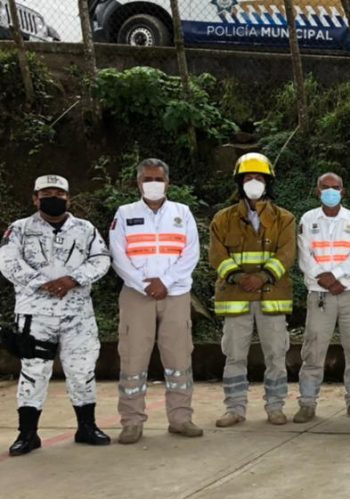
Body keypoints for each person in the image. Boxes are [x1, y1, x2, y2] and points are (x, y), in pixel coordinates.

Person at [1, 175, 112, 456]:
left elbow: (101, 259)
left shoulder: (85, 229)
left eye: (59, 193)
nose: (54, 197)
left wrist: (72, 279)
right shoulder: (19, 229)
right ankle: (28, 434)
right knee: (33, 372)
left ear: (68, 198)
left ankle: (86, 427)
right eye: (47, 192)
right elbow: (8, 262)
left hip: (77, 315)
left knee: (82, 370)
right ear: (35, 198)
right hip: (35, 314)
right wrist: (43, 282)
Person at [108, 159, 201, 444]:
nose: (153, 184)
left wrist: (167, 281)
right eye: (147, 179)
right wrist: (143, 283)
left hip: (175, 294)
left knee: (179, 358)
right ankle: (132, 422)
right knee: (133, 358)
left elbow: (191, 252)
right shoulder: (124, 214)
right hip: (138, 295)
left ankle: (181, 418)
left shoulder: (182, 212)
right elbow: (118, 254)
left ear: (167, 182)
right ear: (138, 183)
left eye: (158, 179)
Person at [209, 152, 296, 427]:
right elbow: (216, 256)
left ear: (268, 182)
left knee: (275, 354)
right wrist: (237, 277)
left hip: (272, 296)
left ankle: (276, 406)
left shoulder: (285, 219)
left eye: (259, 177)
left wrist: (263, 276)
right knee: (234, 355)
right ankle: (234, 408)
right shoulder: (222, 219)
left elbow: (287, 254)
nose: (254, 182)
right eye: (249, 177)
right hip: (236, 297)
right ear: (239, 182)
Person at [295, 172, 350, 423]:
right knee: (313, 348)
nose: (330, 191)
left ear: (343, 191)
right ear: (317, 191)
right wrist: (323, 278)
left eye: (335, 187)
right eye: (325, 187)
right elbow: (305, 255)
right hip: (319, 293)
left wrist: (335, 276)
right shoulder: (308, 219)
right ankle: (307, 403)